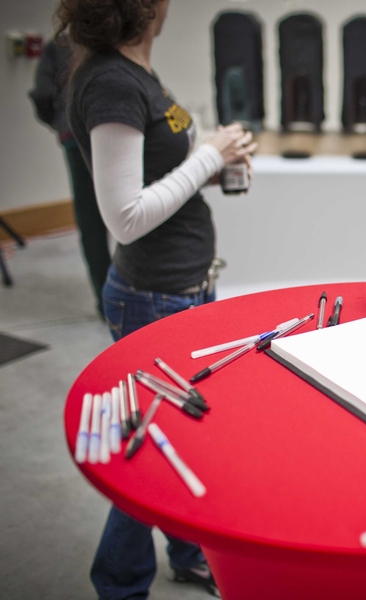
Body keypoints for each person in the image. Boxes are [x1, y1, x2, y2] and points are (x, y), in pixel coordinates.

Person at [54, 0, 257, 597]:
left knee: (184, 438)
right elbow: (125, 217)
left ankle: (188, 553)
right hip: (153, 298)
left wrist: (215, 168)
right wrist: (207, 158)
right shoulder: (113, 83)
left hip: (182, 287)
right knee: (150, 452)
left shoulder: (131, 71)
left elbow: (151, 178)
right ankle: (119, 583)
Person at [29, 35, 110, 315]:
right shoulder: (114, 40)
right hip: (105, 130)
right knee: (124, 211)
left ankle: (106, 301)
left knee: (91, 220)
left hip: (76, 136)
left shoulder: (61, 45)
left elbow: (42, 93)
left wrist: (62, 123)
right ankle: (121, 296)